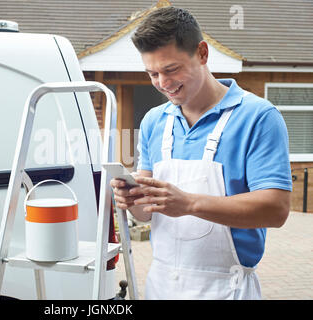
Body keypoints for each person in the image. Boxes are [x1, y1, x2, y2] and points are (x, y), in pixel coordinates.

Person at [110, 6, 292, 300]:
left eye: (171, 69)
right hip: (161, 286)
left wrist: (190, 203)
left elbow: (277, 208)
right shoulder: (154, 121)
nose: (163, 83)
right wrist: (131, 200)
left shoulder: (258, 117)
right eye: (152, 73)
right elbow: (145, 214)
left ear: (203, 53)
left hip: (227, 289)